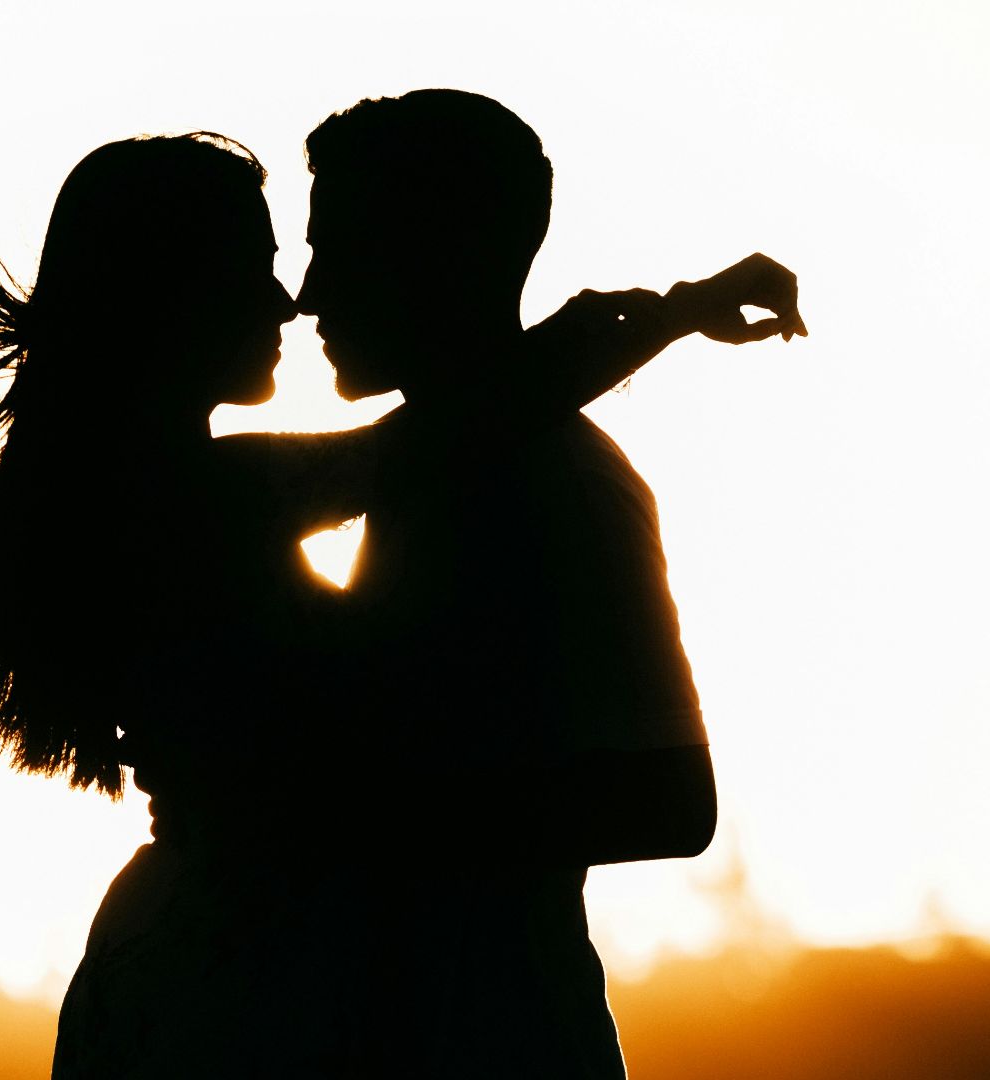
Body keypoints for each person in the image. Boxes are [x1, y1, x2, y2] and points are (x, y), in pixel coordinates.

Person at [0, 124, 800, 1077]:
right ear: (174, 297)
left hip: (216, 968)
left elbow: (454, 432)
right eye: (256, 267)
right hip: (228, 992)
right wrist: (671, 312)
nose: (290, 302)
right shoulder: (199, 498)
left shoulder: (152, 490)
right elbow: (441, 438)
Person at [290, 88, 807, 1077]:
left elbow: (668, 803)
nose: (311, 293)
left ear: (443, 254)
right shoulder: (430, 466)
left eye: (339, 247)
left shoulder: (555, 480)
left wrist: (357, 813)